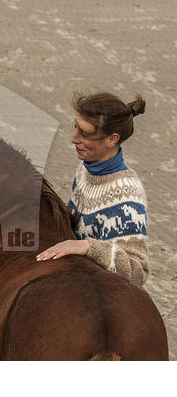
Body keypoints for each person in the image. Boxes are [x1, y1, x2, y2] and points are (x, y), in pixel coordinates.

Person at [36, 92, 149, 285]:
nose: (74, 139)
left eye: (85, 134)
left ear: (112, 140)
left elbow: (137, 272)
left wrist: (88, 247)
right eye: (76, 128)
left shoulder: (127, 196)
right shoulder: (84, 170)